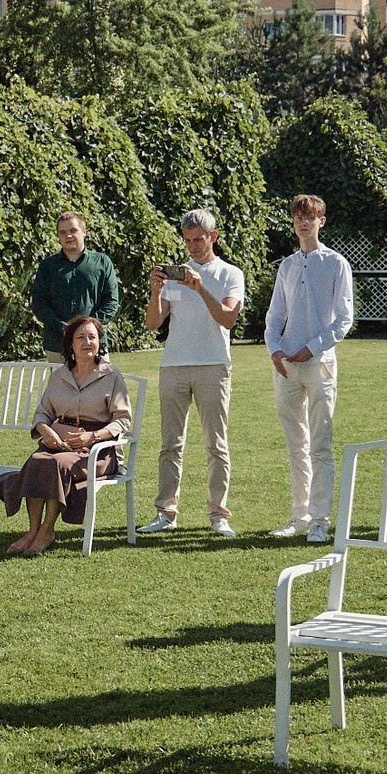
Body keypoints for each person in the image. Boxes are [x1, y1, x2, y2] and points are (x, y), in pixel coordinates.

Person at [139, 207, 247, 538]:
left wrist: (200, 288)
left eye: (199, 240)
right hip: (173, 364)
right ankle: (166, 513)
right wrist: (156, 292)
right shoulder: (176, 275)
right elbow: (153, 323)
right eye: (187, 241)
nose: (193, 247)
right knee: (170, 444)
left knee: (215, 443)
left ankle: (218, 515)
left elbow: (228, 319)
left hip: (213, 364)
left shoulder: (230, 273)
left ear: (213, 237)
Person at [0, 315, 132, 555]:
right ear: (71, 344)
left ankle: (48, 529)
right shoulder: (59, 375)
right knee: (38, 460)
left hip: (96, 451)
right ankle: (32, 530)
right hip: (57, 444)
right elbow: (42, 414)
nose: (88, 342)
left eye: (93, 337)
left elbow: (123, 420)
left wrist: (94, 437)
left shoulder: (111, 376)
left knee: (56, 464)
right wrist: (46, 431)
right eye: (81, 337)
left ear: (100, 342)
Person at [263, 193, 356, 541]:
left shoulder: (336, 264)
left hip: (319, 365)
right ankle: (299, 516)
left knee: (320, 444)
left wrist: (311, 348)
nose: (304, 222)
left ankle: (319, 519)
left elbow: (344, 320)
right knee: (295, 444)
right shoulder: (287, 266)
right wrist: (275, 350)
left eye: (310, 217)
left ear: (321, 221)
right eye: (298, 217)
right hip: (286, 366)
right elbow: (274, 315)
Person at [31, 210, 120, 348]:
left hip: (94, 344)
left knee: (101, 371)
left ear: (84, 231)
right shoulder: (47, 266)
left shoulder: (102, 262)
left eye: (73, 230)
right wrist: (62, 327)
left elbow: (112, 301)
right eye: (63, 232)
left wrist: (89, 327)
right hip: (57, 344)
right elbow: (39, 303)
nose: (69, 236)